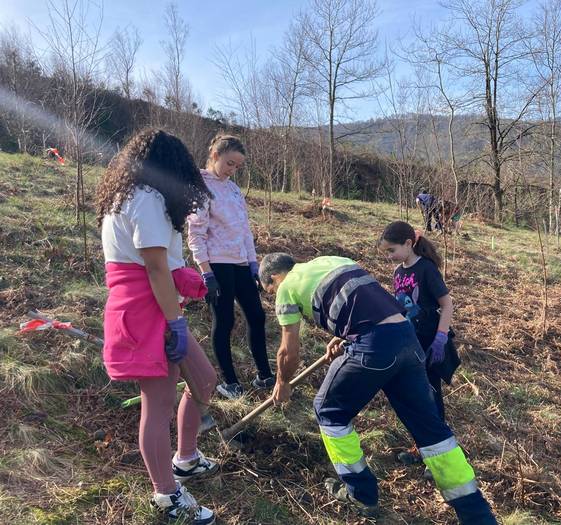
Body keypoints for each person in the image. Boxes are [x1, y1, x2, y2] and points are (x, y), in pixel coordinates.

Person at [258, 253, 497, 524]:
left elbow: (289, 351)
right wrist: (342, 334)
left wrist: (282, 383)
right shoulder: (331, 261)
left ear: (275, 278)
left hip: (374, 346)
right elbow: (368, 302)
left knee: (327, 410)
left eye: (270, 289)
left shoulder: (286, 289)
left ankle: (361, 494)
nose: (274, 294)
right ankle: (477, 515)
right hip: (407, 339)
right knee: (430, 430)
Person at [97, 129, 219, 524]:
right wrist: (175, 323)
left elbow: (153, 261)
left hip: (156, 305)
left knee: (203, 381)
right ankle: (166, 495)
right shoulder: (146, 199)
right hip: (148, 311)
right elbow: (150, 267)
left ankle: (185, 459)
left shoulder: (131, 197)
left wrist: (182, 278)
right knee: (159, 402)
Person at [187, 134, 275, 399]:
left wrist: (252, 263)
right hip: (217, 264)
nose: (232, 170)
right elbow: (196, 233)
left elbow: (245, 231)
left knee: (257, 316)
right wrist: (206, 271)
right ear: (215, 155)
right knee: (224, 320)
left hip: (240, 262)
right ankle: (231, 382)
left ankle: (264, 375)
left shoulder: (235, 190)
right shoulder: (200, 186)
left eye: (238, 166)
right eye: (229, 163)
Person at [378, 221, 461, 470]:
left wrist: (441, 337)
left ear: (408, 243)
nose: (390, 257)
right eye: (387, 253)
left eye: (392, 250)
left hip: (430, 343)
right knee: (415, 397)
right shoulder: (398, 272)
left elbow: (447, 304)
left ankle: (440, 458)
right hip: (409, 343)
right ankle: (421, 447)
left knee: (431, 396)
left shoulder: (426, 269)